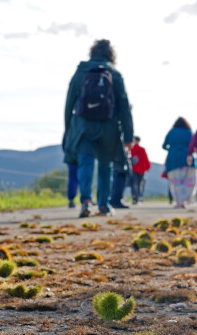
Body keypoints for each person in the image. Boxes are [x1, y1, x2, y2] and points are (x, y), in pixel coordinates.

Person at [63, 39, 133, 217]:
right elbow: (124, 106)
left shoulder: (81, 72)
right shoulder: (114, 74)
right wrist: (128, 136)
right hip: (108, 126)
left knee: (85, 162)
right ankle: (103, 204)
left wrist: (69, 129)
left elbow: (69, 102)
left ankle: (85, 200)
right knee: (105, 166)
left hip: (83, 125)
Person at [163, 117, 195, 209]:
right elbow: (194, 145)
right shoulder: (189, 133)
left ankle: (178, 202)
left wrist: (172, 149)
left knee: (175, 182)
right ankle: (184, 201)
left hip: (173, 159)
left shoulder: (171, 132)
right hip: (188, 159)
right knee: (189, 182)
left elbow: (164, 145)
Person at [130, 136, 150, 204]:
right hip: (141, 169)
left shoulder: (132, 149)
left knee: (134, 183)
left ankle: (134, 197)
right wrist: (147, 167)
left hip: (134, 168)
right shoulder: (142, 149)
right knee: (139, 184)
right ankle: (138, 197)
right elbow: (146, 158)